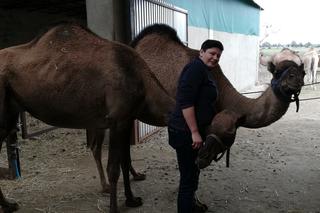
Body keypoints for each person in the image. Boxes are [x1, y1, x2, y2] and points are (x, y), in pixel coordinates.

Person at [168, 39, 223, 213]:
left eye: (218, 56)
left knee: (193, 173)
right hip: (185, 133)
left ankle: (191, 205)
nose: (215, 58)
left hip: (191, 132)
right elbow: (185, 102)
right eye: (212, 53)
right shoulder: (195, 69)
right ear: (201, 52)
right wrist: (194, 132)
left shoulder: (204, 71)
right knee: (187, 179)